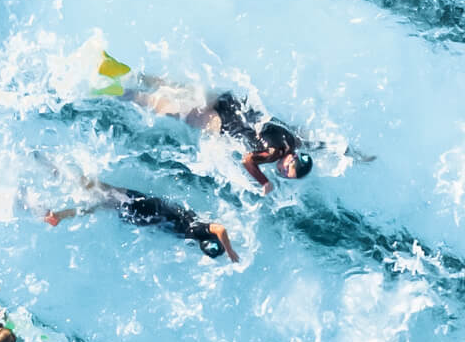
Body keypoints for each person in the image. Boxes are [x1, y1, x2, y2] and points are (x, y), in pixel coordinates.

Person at [92, 52, 313, 188]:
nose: (282, 172)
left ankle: (121, 71)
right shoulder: (272, 154)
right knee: (162, 106)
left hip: (229, 101)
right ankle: (115, 91)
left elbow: (312, 143)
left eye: (285, 175)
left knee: (171, 86)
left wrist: (340, 149)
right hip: (218, 121)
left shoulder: (294, 140)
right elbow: (248, 160)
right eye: (286, 170)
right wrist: (264, 183)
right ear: (291, 159)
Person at [43, 176, 239, 262]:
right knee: (99, 206)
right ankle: (59, 216)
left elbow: (220, 229)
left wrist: (230, 251)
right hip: (140, 217)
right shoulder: (193, 232)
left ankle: (59, 174)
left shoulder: (194, 228)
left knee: (98, 190)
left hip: (141, 207)